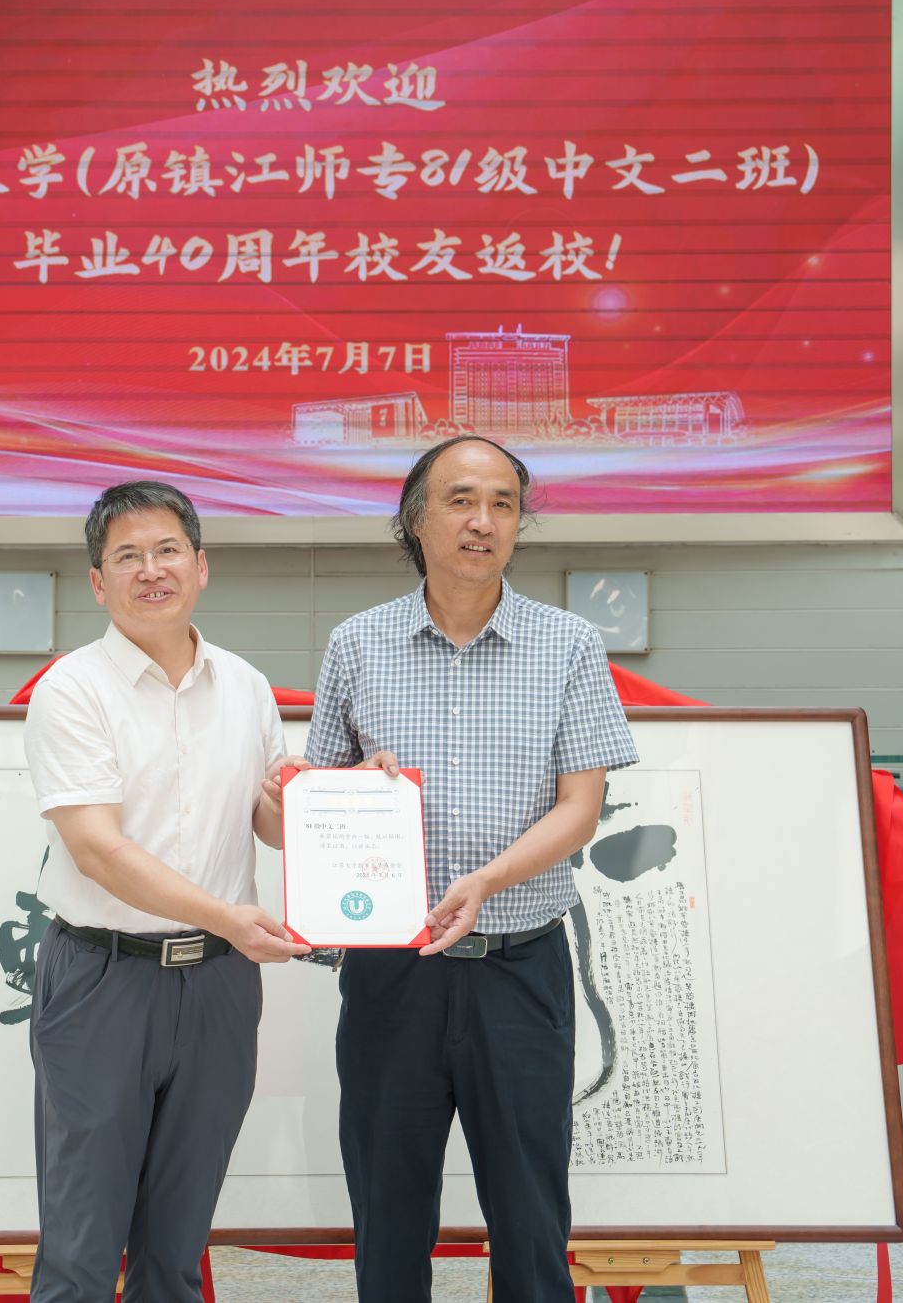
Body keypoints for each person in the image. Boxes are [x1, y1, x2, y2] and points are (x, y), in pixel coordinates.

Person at [306, 436, 637, 1303]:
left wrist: (488, 880)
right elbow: (314, 802)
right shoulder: (356, 643)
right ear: (415, 521)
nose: (482, 520)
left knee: (531, 1220)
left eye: (502, 503)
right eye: (460, 499)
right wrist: (349, 788)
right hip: (391, 973)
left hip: (519, 967)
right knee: (387, 1215)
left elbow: (580, 807)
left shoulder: (569, 644)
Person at [23, 480, 308, 1303]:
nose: (152, 570)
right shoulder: (72, 689)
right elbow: (99, 851)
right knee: (81, 1246)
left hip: (219, 984)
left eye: (168, 550)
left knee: (178, 1246)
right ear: (97, 581)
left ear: (200, 565)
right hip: (103, 978)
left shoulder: (246, 685)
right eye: (128, 556)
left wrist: (313, 800)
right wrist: (227, 916)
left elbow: (269, 825)